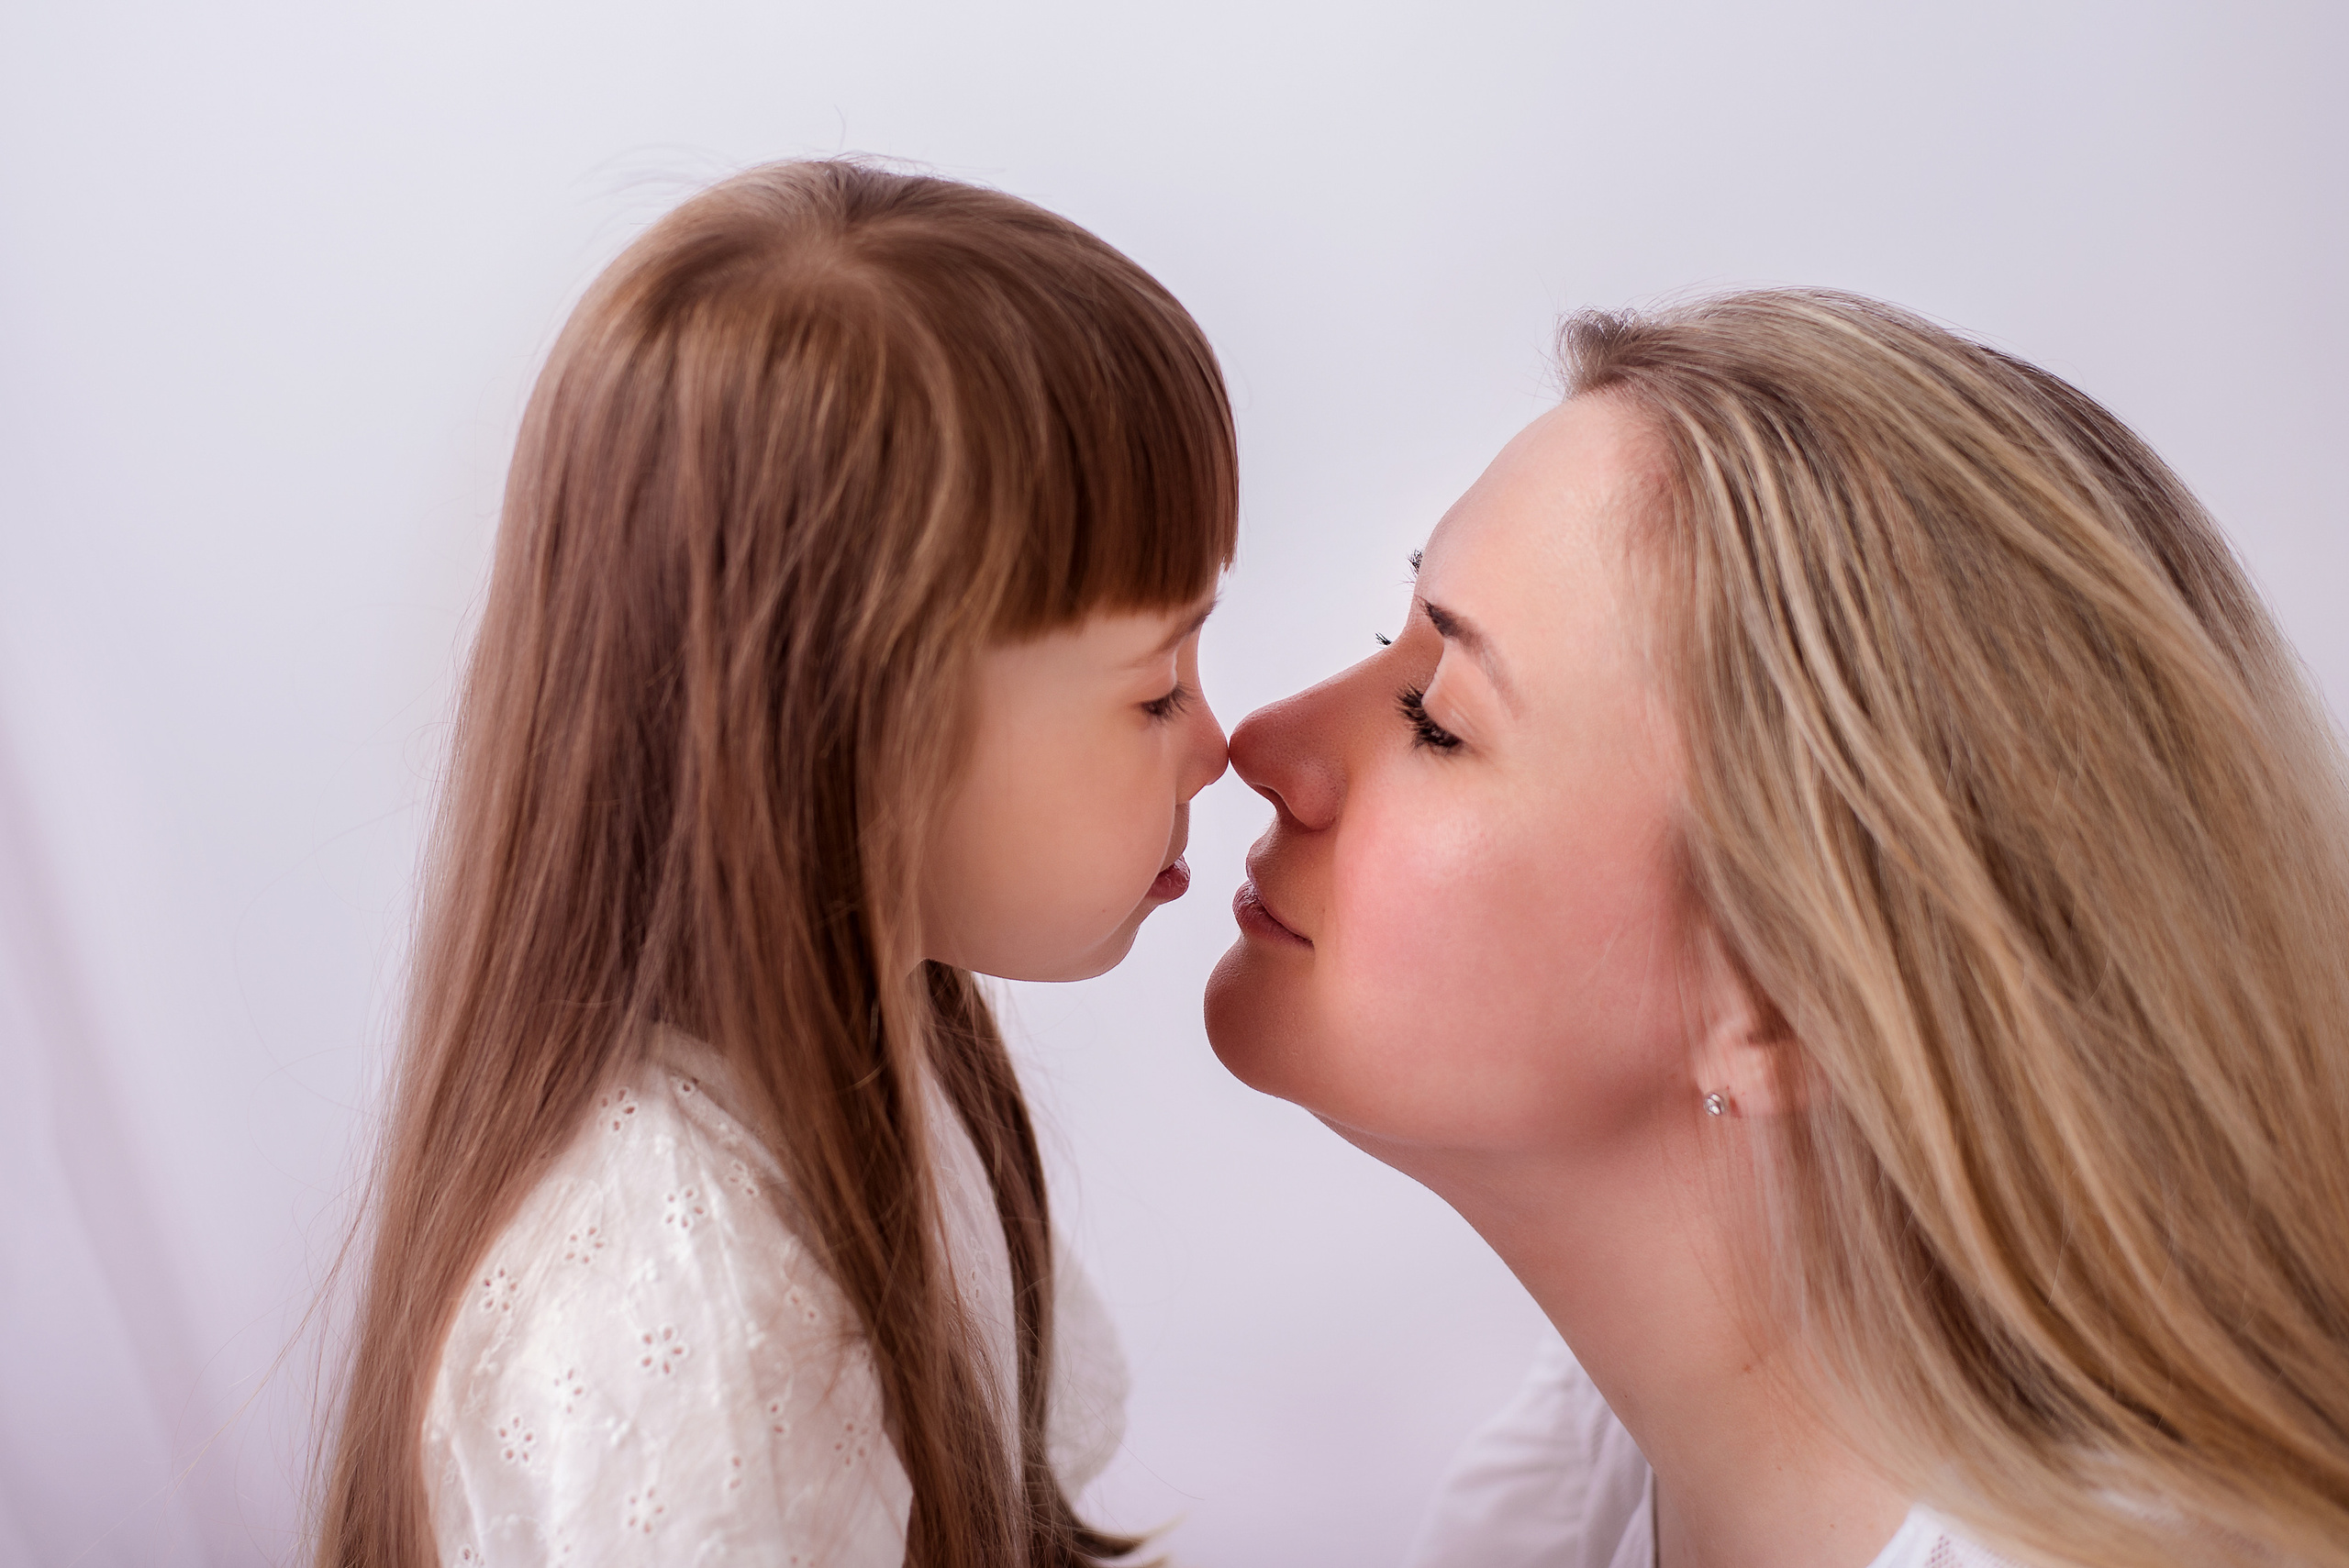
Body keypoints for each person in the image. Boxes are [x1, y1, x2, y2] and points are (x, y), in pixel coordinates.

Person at [1206, 290, 2349, 1568]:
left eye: (1439, 720)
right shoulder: (1581, 1484)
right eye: (1391, 634)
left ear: (1790, 997)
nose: (1261, 744)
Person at [314, 161, 1234, 1568]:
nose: (1221, 745)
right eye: (1159, 688)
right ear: (870, 731)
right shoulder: (688, 1322)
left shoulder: (888, 1061)